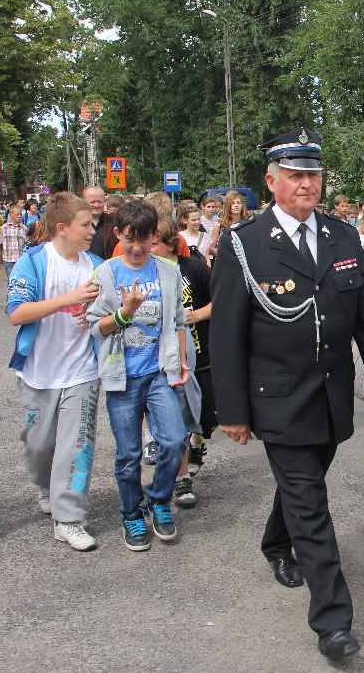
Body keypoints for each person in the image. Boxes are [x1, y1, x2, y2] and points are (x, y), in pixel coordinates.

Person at [209, 127, 364, 662]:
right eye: (295, 175)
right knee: (311, 505)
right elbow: (226, 335)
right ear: (271, 181)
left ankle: (277, 541)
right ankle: (333, 621)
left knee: (304, 484)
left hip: (331, 397)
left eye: (313, 174)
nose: (306, 184)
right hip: (277, 398)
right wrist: (233, 410)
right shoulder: (245, 243)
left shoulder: (343, 237)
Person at [86, 199, 190, 552]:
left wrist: (181, 362)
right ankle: (131, 512)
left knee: (174, 440)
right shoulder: (106, 274)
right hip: (123, 378)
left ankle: (159, 500)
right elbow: (94, 327)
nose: (136, 247)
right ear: (117, 234)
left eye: (144, 239)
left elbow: (177, 321)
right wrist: (124, 314)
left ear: (154, 237)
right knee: (129, 454)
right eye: (129, 238)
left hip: (158, 373)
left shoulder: (168, 272)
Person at [5, 192, 102, 551]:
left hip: (82, 371)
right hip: (38, 373)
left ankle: (70, 519)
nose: (92, 230)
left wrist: (95, 314)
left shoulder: (97, 265)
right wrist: (69, 299)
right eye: (85, 225)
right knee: (39, 446)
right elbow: (17, 313)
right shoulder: (33, 262)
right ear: (62, 228)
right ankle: (45, 486)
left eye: (93, 224)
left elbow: (108, 311)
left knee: (77, 446)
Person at [151, 216, 214, 508]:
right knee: (176, 418)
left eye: (154, 243)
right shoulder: (147, 271)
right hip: (166, 359)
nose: (148, 248)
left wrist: (196, 315)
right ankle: (182, 477)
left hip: (201, 353)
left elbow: (221, 298)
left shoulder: (193, 268)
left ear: (169, 244)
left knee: (203, 417)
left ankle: (197, 443)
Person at [0, 203, 27, 279]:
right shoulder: (4, 228)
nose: (19, 216)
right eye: (17, 214)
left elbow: (27, 245)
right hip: (8, 260)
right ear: (11, 215)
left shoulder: (24, 229)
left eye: (20, 214)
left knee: (21, 280)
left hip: (21, 260)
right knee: (11, 280)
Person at [83, 186, 109, 259]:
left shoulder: (114, 222)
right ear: (84, 202)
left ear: (104, 202)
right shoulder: (75, 223)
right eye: (92, 202)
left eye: (99, 201)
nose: (96, 205)